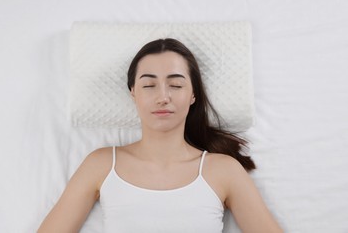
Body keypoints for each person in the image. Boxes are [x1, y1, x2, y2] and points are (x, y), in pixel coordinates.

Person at [38, 38, 283, 233]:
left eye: (175, 85)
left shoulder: (224, 170)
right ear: (133, 93)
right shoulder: (102, 164)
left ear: (193, 95)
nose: (163, 96)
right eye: (148, 85)